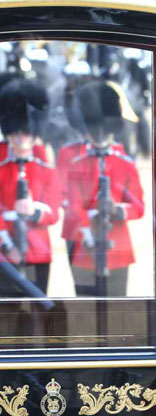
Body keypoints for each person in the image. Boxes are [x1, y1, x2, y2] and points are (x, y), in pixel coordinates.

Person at [63, 80, 144, 296]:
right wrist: (88, 221)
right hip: (85, 246)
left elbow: (139, 207)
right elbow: (71, 204)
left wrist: (117, 209)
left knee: (118, 315)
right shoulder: (77, 162)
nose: (99, 136)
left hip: (117, 248)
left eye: (104, 131)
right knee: (86, 314)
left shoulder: (124, 162)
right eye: (94, 131)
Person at [0, 78, 60, 295]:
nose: (21, 139)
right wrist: (7, 245)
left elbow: (53, 213)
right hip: (4, 253)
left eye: (26, 133)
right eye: (15, 133)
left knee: (38, 312)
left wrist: (34, 211)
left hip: (38, 251)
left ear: (35, 133)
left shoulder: (46, 169)